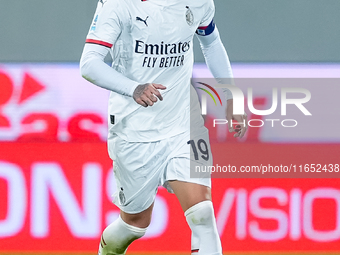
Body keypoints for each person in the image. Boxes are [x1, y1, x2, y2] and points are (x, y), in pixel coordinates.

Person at [80, 0, 247, 254]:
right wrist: (133, 88)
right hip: (135, 129)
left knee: (202, 213)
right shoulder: (119, 4)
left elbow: (211, 43)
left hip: (184, 122)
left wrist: (232, 94)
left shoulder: (199, 2)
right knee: (134, 225)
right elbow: (89, 64)